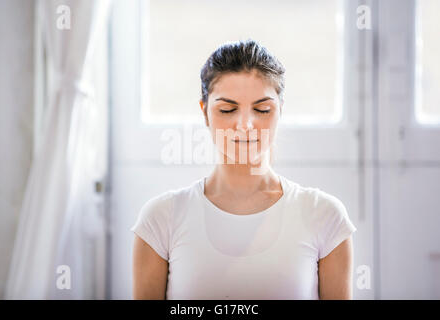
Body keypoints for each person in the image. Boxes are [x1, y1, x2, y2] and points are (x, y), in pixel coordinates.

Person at [131, 39, 357, 300]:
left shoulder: (325, 217)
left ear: (280, 111)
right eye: (228, 109)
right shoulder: (160, 220)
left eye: (262, 109)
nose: (245, 124)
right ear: (205, 113)